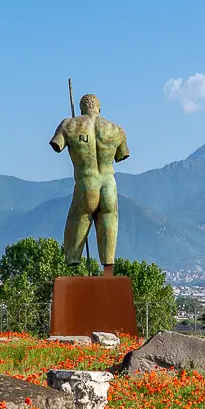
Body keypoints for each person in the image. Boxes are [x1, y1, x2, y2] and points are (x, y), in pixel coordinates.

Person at [50, 93, 130, 275]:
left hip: (87, 183)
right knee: (110, 222)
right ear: (99, 109)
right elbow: (121, 155)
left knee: (76, 219)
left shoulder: (69, 124)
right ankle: (108, 268)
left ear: (81, 109)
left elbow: (57, 145)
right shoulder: (116, 130)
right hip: (109, 184)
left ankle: (72, 262)